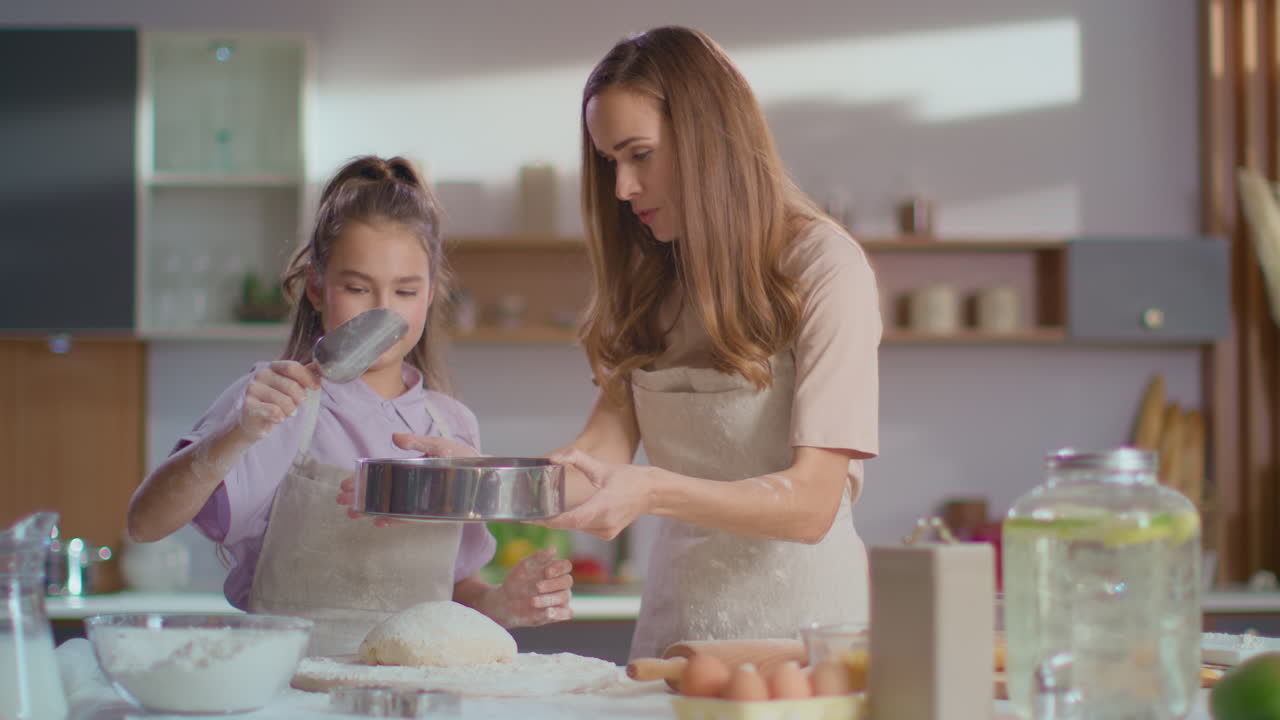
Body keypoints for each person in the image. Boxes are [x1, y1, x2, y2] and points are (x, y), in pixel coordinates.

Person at [345, 25, 880, 661]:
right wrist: (476, 480)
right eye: (609, 163)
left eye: (639, 155)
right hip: (677, 630)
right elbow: (593, 464)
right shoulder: (654, 281)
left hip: (806, 635)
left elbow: (813, 504)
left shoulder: (825, 269)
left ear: (708, 139)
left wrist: (650, 489)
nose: (623, 188)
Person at [127, 156, 573, 656]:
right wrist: (237, 436)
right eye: (357, 288)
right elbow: (145, 523)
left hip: (416, 694)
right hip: (293, 691)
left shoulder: (453, 425)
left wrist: (501, 603)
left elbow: (451, 597)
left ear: (432, 294)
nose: (383, 311)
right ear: (317, 287)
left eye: (406, 290)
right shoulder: (274, 404)